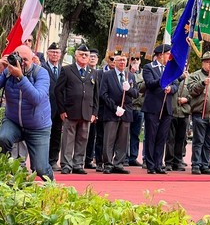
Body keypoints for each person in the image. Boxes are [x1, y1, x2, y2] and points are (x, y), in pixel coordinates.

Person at [0, 44, 53, 180]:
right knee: (3, 138)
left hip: (38, 127)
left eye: (25, 60)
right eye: (18, 58)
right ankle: (5, 172)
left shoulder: (41, 73)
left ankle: (52, 187)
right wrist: (1, 69)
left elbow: (36, 98)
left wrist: (20, 78)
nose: (21, 63)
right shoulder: (8, 72)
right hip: (14, 121)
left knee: (41, 169)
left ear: (33, 59)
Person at [55, 44, 99, 174]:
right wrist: (62, 110)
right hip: (70, 111)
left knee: (82, 139)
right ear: (76, 56)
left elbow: (96, 94)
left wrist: (94, 113)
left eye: (87, 55)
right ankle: (66, 165)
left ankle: (78, 164)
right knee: (68, 140)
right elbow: (58, 90)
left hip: (87, 112)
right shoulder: (67, 70)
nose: (84, 57)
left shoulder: (93, 72)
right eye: (82, 54)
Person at [141, 44, 178, 174]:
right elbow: (149, 84)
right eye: (168, 54)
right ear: (160, 55)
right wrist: (162, 80)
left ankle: (158, 164)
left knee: (162, 137)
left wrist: (171, 88)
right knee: (151, 136)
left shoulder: (170, 69)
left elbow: (175, 85)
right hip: (153, 107)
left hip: (166, 107)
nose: (170, 57)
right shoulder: (149, 67)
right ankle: (150, 165)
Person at [100, 55, 138, 174]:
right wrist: (115, 107)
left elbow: (136, 93)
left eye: (124, 60)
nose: (122, 62)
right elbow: (103, 94)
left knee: (123, 140)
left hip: (126, 112)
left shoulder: (130, 76)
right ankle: (108, 164)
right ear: (114, 62)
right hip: (112, 112)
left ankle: (119, 163)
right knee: (109, 139)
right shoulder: (107, 75)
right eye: (119, 60)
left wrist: (129, 90)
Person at [41, 42, 63, 171]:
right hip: (45, 107)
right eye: (52, 52)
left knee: (56, 135)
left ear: (60, 55)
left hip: (59, 109)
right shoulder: (42, 68)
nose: (55, 54)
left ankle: (53, 160)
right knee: (44, 135)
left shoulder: (63, 69)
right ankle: (43, 160)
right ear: (48, 53)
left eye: (57, 52)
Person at [165, 70, 190, 171]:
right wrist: (180, 78)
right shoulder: (171, 75)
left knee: (181, 139)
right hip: (172, 110)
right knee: (170, 139)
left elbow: (194, 92)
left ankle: (178, 161)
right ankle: (168, 162)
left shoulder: (190, 77)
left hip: (184, 111)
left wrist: (187, 99)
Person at [128, 56, 145, 167]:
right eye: (133, 59)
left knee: (135, 134)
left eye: (137, 59)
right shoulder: (125, 73)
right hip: (128, 107)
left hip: (140, 107)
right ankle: (123, 156)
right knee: (124, 134)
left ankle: (133, 157)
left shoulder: (144, 73)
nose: (135, 61)